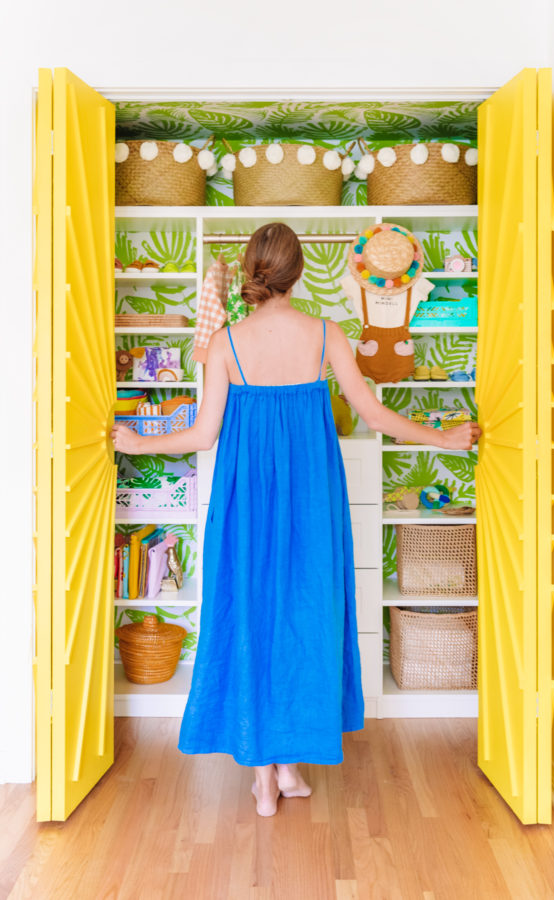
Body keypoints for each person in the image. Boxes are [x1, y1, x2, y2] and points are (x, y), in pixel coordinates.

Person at [111, 222, 481, 817]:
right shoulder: (326, 334)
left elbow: (203, 435)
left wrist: (135, 444)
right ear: (298, 272)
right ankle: (286, 766)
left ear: (255, 272)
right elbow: (376, 416)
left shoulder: (226, 342)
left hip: (244, 500)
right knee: (305, 619)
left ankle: (268, 773)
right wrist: (448, 437)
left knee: (252, 615)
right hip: (312, 500)